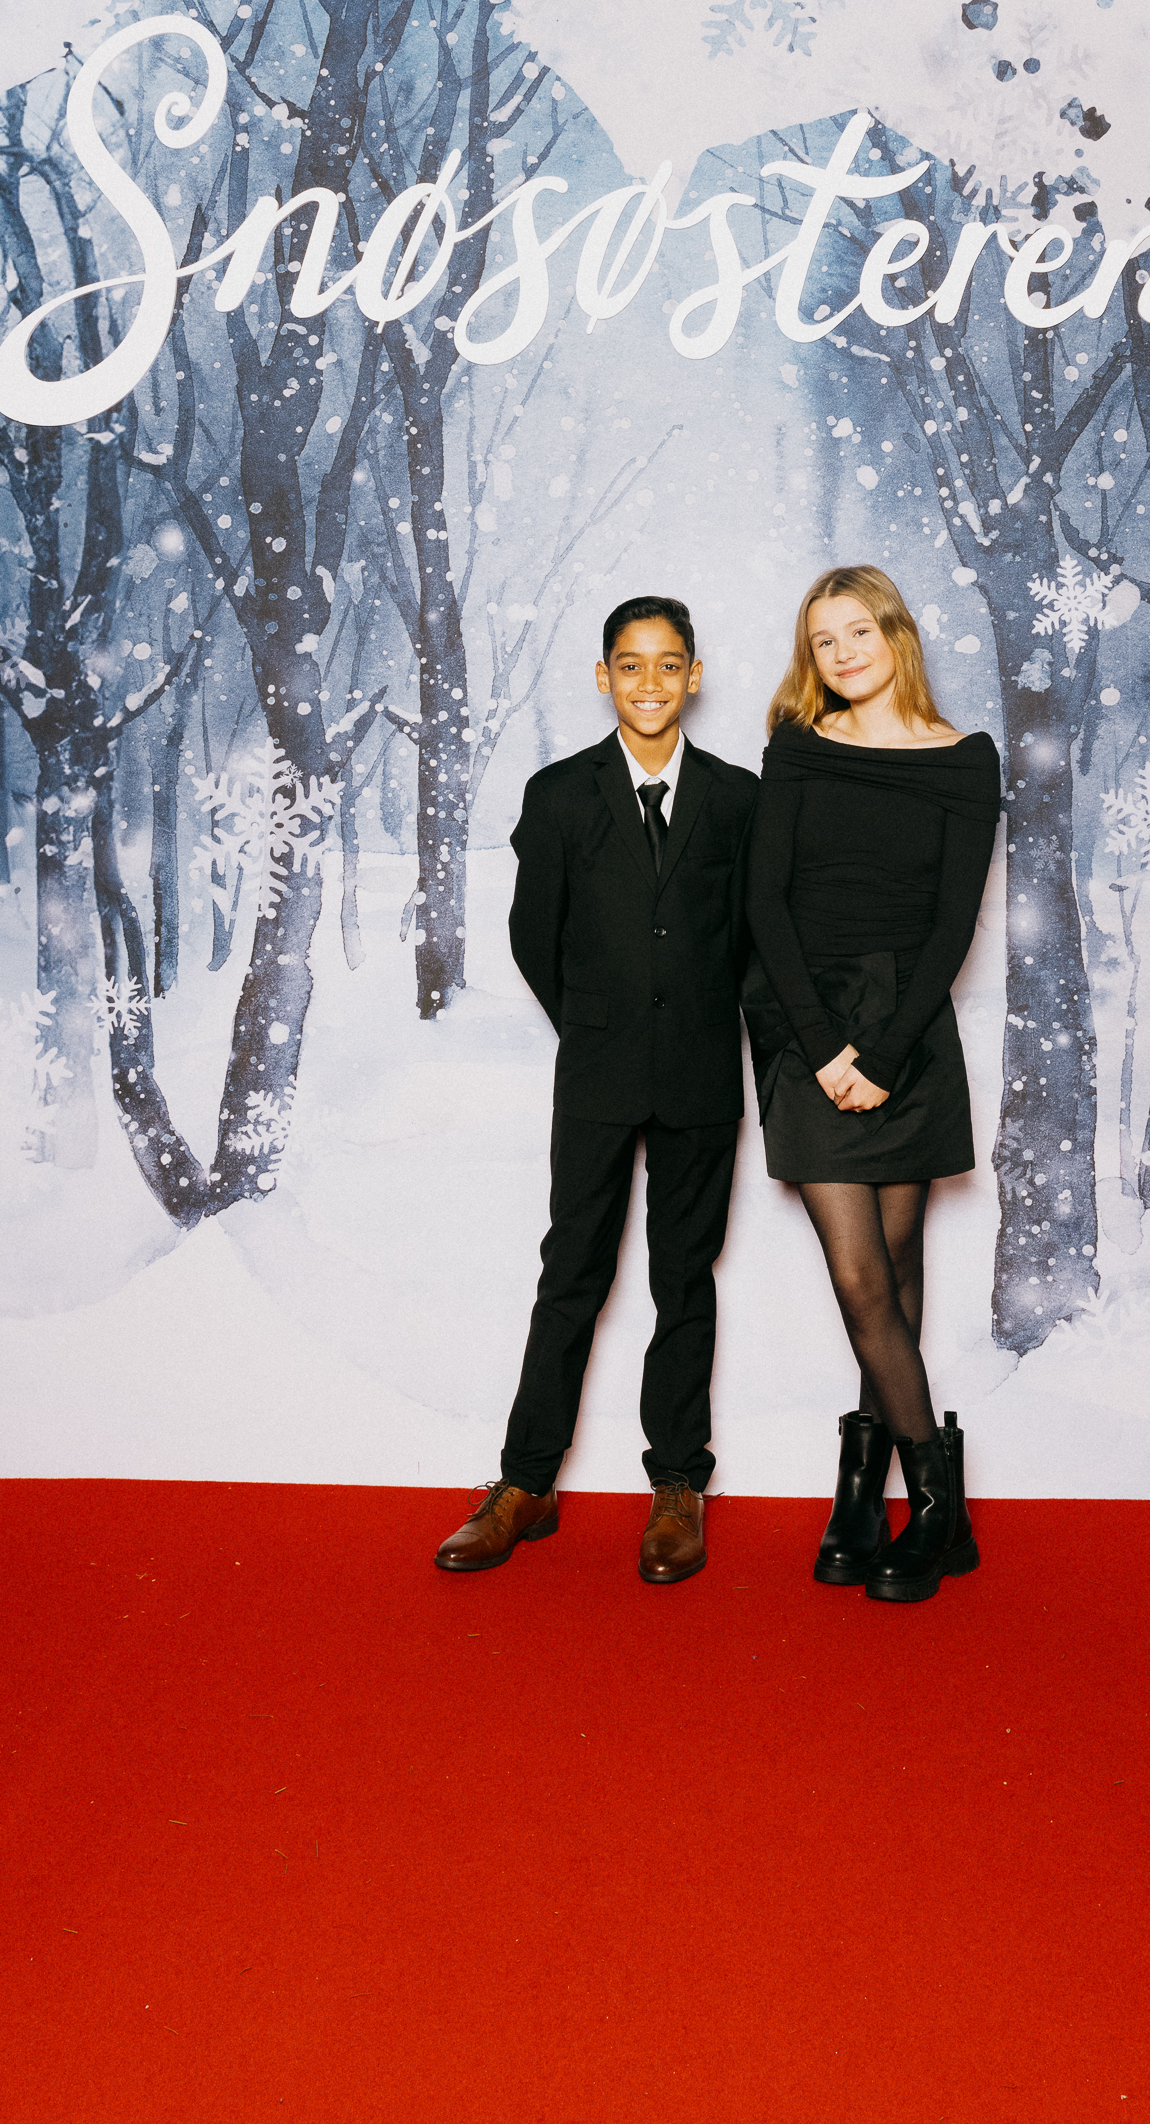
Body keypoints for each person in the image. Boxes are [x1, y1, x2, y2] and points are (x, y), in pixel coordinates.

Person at [434, 597, 759, 1585]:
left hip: (702, 1073)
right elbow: (535, 937)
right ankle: (525, 1483)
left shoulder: (736, 798)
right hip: (598, 1072)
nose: (649, 683)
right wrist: (599, 1020)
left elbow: (752, 938)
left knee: (683, 1279)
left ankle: (678, 1484)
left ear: (694, 676)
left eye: (667, 664)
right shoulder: (560, 794)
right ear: (603, 676)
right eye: (630, 664)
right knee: (571, 1271)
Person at [744, 565, 1002, 1604]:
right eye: (824, 640)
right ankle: (941, 1503)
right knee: (860, 1279)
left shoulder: (964, 760)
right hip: (805, 1018)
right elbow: (765, 905)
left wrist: (887, 1056)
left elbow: (953, 922)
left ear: (896, 633)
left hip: (909, 1026)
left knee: (894, 1268)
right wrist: (823, 1050)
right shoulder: (798, 748)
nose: (844, 653)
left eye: (859, 631)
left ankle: (864, 1492)